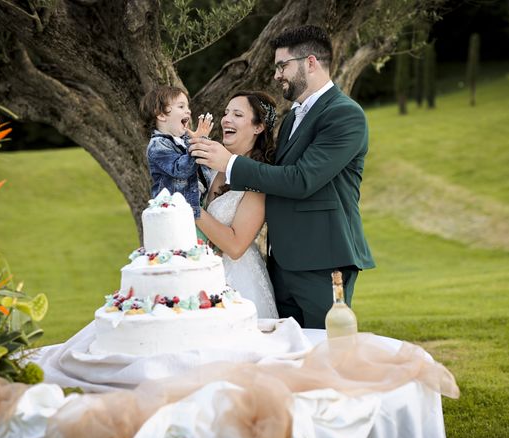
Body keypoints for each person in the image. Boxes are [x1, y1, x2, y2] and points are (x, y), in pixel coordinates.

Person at [190, 25, 375, 329]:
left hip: (323, 260)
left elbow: (302, 180)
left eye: (282, 66)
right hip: (282, 262)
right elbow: (274, 176)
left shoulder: (345, 114)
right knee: (289, 352)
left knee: (323, 353)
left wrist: (231, 163)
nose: (277, 75)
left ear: (311, 62)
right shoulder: (291, 120)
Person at [195, 90, 279, 319]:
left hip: (238, 282)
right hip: (200, 274)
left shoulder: (259, 180)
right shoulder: (211, 167)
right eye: (226, 112)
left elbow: (235, 246)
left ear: (258, 127)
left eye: (237, 114)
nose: (226, 119)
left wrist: (191, 208)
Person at [139, 85, 213, 218]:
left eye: (188, 107)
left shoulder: (184, 140)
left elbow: (205, 168)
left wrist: (200, 142)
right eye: (181, 106)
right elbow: (181, 170)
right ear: (161, 115)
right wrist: (197, 143)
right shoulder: (157, 145)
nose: (188, 111)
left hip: (196, 206)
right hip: (174, 213)